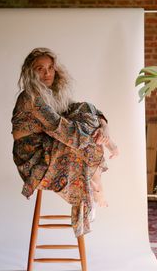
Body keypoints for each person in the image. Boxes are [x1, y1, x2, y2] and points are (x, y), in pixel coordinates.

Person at [12, 48, 118, 238]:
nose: (47, 73)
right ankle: (94, 189)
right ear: (31, 73)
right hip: (33, 159)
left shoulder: (52, 93)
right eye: (40, 69)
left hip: (50, 145)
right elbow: (66, 132)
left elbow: (87, 110)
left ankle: (93, 189)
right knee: (79, 141)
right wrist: (105, 141)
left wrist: (104, 128)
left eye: (51, 68)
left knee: (83, 111)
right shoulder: (32, 97)